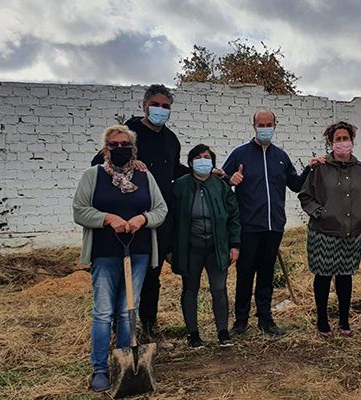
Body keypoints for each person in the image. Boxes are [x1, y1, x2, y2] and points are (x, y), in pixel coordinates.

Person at [91, 84, 189, 342]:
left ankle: (147, 324)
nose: (161, 110)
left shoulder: (171, 139)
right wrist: (130, 161)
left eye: (166, 107)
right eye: (156, 105)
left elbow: (173, 170)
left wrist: (203, 172)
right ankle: (119, 329)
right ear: (144, 106)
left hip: (157, 218)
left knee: (152, 275)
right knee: (125, 275)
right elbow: (99, 162)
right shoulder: (129, 135)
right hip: (126, 219)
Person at [73, 125, 168, 392]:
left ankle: (125, 364)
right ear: (105, 149)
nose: (119, 149)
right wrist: (107, 218)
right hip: (105, 253)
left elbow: (161, 209)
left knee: (128, 310)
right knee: (103, 312)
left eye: (125, 145)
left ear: (133, 149)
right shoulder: (93, 176)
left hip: (137, 253)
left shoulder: (144, 176)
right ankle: (99, 369)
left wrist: (143, 219)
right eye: (114, 145)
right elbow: (80, 210)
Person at [222, 109, 311, 337]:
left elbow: (296, 184)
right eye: (260, 124)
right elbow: (221, 180)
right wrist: (231, 180)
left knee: (266, 275)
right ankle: (240, 321)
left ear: (275, 125)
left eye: (268, 124)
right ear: (254, 126)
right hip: (248, 226)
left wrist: (311, 168)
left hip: (274, 227)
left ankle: (265, 319)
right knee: (245, 274)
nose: (265, 128)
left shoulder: (280, 156)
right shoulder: (240, 154)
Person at [299, 121, 361, 338]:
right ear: (331, 143)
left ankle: (344, 320)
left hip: (352, 232)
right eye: (337, 139)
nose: (342, 143)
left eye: (345, 138)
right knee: (323, 275)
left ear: (352, 140)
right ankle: (322, 320)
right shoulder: (320, 168)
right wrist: (319, 213)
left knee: (345, 275)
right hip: (324, 231)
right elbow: (305, 196)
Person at [171, 144, 241, 349]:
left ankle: (223, 331)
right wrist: (170, 249)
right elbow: (171, 219)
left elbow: (234, 217)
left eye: (207, 157)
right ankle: (193, 334)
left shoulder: (220, 186)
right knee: (190, 289)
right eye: (199, 157)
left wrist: (235, 244)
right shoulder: (180, 186)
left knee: (219, 288)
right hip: (190, 246)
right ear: (191, 162)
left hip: (217, 247)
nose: (203, 160)